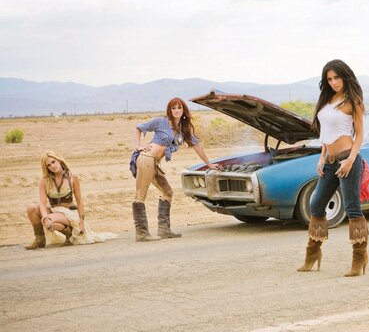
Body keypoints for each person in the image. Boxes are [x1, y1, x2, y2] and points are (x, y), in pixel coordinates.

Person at [297, 59, 369, 277]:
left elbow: (360, 135)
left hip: (348, 158)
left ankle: (359, 258)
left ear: (345, 77)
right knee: (316, 204)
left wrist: (349, 161)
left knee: (352, 208)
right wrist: (322, 157)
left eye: (337, 77)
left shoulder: (353, 100)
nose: (333, 82)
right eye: (329, 79)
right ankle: (313, 254)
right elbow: (325, 134)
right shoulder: (327, 100)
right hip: (329, 160)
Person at [132, 97, 222, 242]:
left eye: (179, 107)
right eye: (173, 108)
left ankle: (164, 230)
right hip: (146, 159)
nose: (176, 110)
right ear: (169, 110)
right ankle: (141, 233)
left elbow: (197, 146)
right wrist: (138, 145)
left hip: (155, 164)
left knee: (167, 192)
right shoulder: (161, 122)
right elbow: (139, 127)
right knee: (140, 195)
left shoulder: (183, 130)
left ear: (183, 110)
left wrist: (209, 164)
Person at [25, 151, 116, 249]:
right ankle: (40, 239)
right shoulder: (44, 180)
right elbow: (42, 203)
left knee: (51, 220)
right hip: (54, 211)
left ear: (59, 160)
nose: (52, 166)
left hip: (69, 213)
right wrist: (45, 218)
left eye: (53, 162)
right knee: (32, 208)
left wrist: (81, 222)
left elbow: (80, 201)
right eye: (49, 165)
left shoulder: (72, 177)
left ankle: (70, 235)